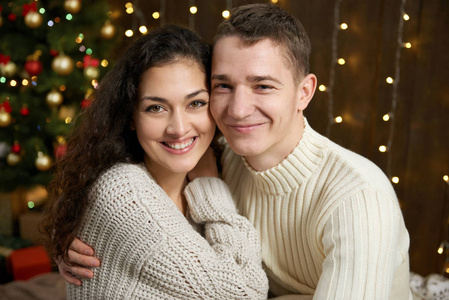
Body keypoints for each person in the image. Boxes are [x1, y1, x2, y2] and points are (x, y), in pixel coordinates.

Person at [57, 4, 413, 299]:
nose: (239, 110)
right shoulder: (214, 159)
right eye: (223, 86)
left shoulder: (357, 196)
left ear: (304, 92)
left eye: (263, 86)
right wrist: (79, 241)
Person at [41, 24, 269, 299]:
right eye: (156, 108)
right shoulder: (125, 190)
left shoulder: (217, 163)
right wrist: (210, 185)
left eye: (195, 103)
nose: (179, 128)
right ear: (130, 118)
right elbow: (246, 294)